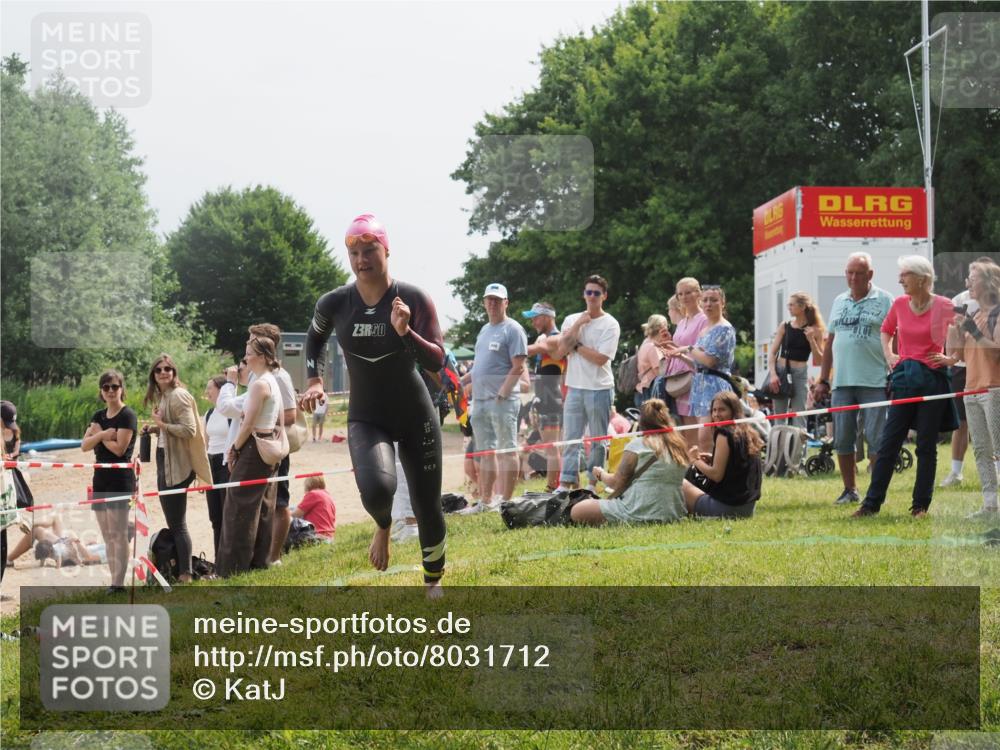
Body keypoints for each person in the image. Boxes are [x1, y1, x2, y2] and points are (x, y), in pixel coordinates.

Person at [300, 213, 447, 595]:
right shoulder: (335, 302)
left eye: (370, 251)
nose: (362, 260)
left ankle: (433, 584)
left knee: (427, 505)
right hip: (368, 417)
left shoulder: (412, 298)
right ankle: (383, 525)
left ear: (386, 251)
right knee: (377, 490)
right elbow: (313, 342)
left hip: (416, 414)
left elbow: (437, 361)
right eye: (356, 254)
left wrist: (406, 332)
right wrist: (314, 379)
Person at [854, 255, 958, 518]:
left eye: (905, 275)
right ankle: (870, 504)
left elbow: (965, 330)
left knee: (925, 445)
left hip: (932, 381)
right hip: (904, 380)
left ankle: (920, 506)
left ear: (923, 279)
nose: (900, 279)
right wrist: (889, 356)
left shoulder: (945, 305)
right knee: (888, 444)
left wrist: (952, 357)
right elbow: (886, 330)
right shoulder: (900, 304)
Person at [814, 252, 894, 505]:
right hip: (842, 383)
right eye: (849, 272)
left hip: (875, 380)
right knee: (843, 438)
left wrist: (895, 369)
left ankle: (875, 491)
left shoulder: (885, 300)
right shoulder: (839, 300)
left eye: (858, 273)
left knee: (877, 437)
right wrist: (823, 379)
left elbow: (895, 336)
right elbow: (830, 343)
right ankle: (850, 490)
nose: (852, 277)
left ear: (870, 275)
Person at [217, 335, 283, 576]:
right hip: (267, 446)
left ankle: (232, 569)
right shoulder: (270, 381)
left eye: (249, 352)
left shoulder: (259, 384)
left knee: (238, 507)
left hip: (254, 447)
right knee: (263, 506)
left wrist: (234, 448)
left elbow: (247, 424)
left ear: (263, 357)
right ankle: (258, 562)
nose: (245, 357)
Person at [143, 355, 211, 583]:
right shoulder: (165, 396)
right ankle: (182, 569)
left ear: (174, 372)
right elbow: (173, 431)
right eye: (159, 369)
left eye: (168, 369)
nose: (164, 372)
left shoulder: (179, 395)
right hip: (167, 461)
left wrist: (162, 425)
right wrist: (155, 429)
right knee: (175, 522)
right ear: (154, 374)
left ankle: (186, 573)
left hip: (177, 466)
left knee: (178, 524)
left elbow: (190, 430)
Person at [551, 275, 621, 492]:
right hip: (574, 387)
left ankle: (592, 483)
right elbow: (561, 351)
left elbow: (601, 358)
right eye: (588, 292)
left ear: (604, 296)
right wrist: (578, 325)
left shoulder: (611, 324)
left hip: (599, 389)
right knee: (571, 438)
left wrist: (577, 346)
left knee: (598, 440)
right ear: (583, 294)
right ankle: (565, 483)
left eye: (596, 293)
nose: (592, 296)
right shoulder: (572, 319)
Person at [570, 399, 689, 526]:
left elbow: (616, 482)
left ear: (642, 422)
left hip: (637, 511)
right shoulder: (678, 446)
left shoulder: (638, 445)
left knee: (578, 510)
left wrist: (600, 474)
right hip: (672, 514)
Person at [463, 282, 527, 510]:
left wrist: (502, 394)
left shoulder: (513, 329)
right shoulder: (483, 330)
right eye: (489, 299)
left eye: (497, 300)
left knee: (507, 450)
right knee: (485, 450)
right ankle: (486, 500)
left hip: (502, 401)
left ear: (506, 303)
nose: (492, 303)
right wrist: (462, 382)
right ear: (484, 302)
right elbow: (479, 366)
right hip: (479, 401)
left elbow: (518, 366)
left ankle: (507, 502)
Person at [947, 259, 1000, 519]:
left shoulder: (996, 314)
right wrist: (956, 329)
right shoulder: (975, 314)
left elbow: (996, 351)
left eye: (973, 277)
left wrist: (974, 332)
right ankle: (990, 506)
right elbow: (959, 356)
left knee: (999, 450)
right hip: (971, 389)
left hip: (994, 389)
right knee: (981, 451)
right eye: (968, 277)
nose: (968, 282)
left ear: (989, 283)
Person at [80, 370, 136, 593]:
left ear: (121, 388)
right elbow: (84, 446)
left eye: (114, 386)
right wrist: (103, 435)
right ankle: (114, 581)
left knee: (119, 533)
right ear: (101, 392)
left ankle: (118, 583)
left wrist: (98, 437)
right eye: (106, 387)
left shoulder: (127, 415)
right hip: (100, 477)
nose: (111, 391)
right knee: (106, 534)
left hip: (120, 477)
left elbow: (120, 449)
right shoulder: (98, 416)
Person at [664, 285, 737, 452]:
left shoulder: (724, 328)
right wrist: (678, 355)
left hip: (716, 386)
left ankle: (714, 472)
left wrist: (687, 349)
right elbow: (699, 365)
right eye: (705, 300)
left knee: (707, 436)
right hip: (701, 384)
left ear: (723, 303)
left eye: (714, 300)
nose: (708, 304)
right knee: (702, 438)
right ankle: (705, 473)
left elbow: (710, 361)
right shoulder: (705, 329)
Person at [681, 390, 763, 518]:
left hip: (727, 509)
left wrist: (695, 460)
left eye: (722, 410)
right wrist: (713, 458)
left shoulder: (724, 433)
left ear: (733, 411)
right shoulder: (748, 432)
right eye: (714, 410)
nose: (716, 414)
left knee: (681, 484)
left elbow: (716, 475)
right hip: (747, 510)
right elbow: (737, 465)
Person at [766, 293, 826, 428]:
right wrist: (773, 374)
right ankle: (779, 448)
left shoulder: (816, 330)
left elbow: (819, 359)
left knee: (800, 416)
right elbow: (772, 353)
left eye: (791, 304)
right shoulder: (785, 326)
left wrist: (811, 340)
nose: (789, 307)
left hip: (800, 374)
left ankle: (798, 449)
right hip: (781, 372)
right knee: (780, 417)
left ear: (803, 307)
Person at [523, 301, 565, 491]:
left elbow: (529, 350)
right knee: (551, 446)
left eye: (536, 317)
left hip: (551, 397)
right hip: (545, 397)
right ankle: (559, 485)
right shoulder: (544, 338)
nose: (533, 322)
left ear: (548, 317)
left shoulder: (556, 338)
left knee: (552, 446)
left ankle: (552, 487)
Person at [663, 278, 708, 445]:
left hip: (696, 376)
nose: (684, 297)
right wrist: (670, 345)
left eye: (688, 292)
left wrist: (680, 352)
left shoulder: (703, 319)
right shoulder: (682, 321)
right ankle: (691, 467)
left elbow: (700, 350)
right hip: (679, 378)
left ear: (698, 293)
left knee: (700, 429)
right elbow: (681, 346)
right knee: (687, 429)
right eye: (680, 294)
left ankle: (701, 466)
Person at [203, 375, 230, 558]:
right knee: (215, 516)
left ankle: (230, 558)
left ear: (221, 390)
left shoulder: (231, 411)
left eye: (210, 388)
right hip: (211, 463)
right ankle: (218, 558)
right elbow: (205, 444)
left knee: (228, 515)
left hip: (226, 463)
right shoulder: (209, 413)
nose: (207, 392)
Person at [636, 314, 671, 407]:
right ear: (662, 327)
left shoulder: (646, 342)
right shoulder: (653, 347)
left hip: (644, 389)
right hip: (651, 390)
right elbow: (659, 373)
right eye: (667, 325)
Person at [294, 475, 336, 540]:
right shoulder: (327, 495)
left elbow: (296, 514)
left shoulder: (313, 494)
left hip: (317, 535)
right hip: (330, 536)